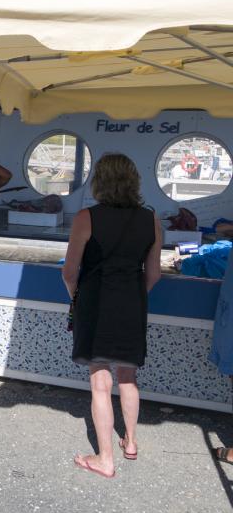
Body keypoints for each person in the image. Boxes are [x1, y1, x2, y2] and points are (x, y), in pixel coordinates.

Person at [62, 153, 162, 478]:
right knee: (129, 377)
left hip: (97, 303)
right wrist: (134, 298)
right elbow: (155, 273)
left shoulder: (85, 217)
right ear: (134, 181)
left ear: (99, 182)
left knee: (100, 382)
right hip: (132, 303)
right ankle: (130, 442)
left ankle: (105, 459)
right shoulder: (152, 219)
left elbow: (69, 272)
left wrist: (77, 301)